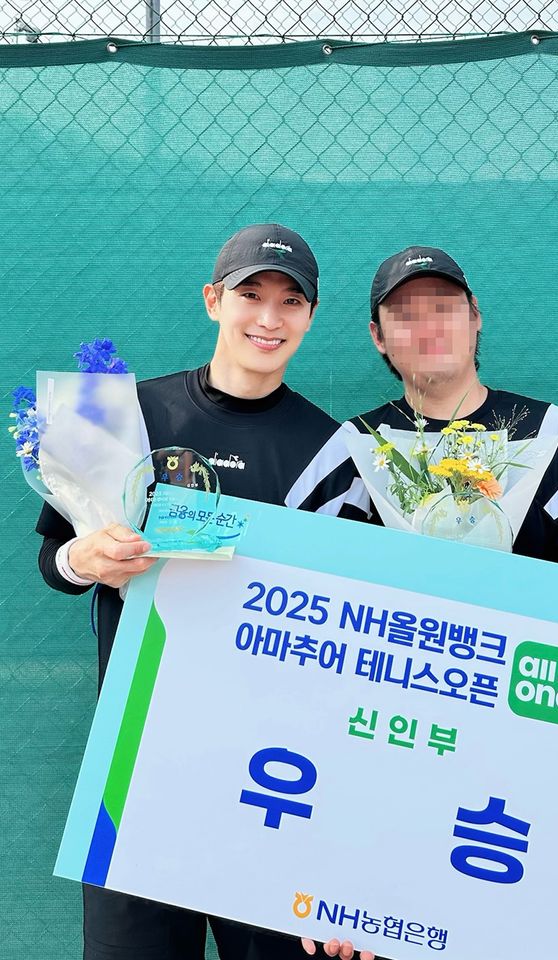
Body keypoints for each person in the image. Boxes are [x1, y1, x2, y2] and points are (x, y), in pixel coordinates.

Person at [36, 223, 373, 960]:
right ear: (213, 300)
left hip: (275, 786)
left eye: (291, 301)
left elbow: (349, 639)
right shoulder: (126, 415)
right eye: (251, 294)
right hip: (134, 778)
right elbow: (52, 562)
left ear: (311, 316)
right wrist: (84, 560)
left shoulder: (333, 453)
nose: (269, 318)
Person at [349, 245, 558, 576]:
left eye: (443, 308)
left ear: (475, 315)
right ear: (378, 336)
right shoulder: (355, 446)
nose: (429, 328)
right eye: (406, 316)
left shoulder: (557, 433)